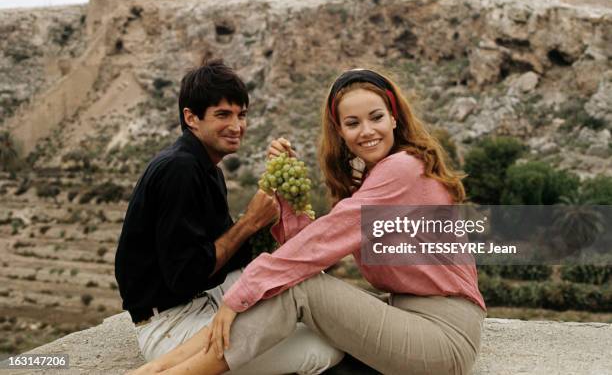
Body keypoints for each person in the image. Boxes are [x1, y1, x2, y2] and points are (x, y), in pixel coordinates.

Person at [132, 68, 486, 375]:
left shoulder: (404, 169)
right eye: (352, 123)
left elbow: (319, 247)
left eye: (376, 117)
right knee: (294, 282)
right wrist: (287, 195)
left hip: (444, 337)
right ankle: (164, 365)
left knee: (294, 286)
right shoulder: (375, 176)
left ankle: (172, 370)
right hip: (415, 317)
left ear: (395, 118)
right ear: (340, 131)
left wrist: (238, 296)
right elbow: (312, 250)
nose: (366, 131)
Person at [116, 58, 343, 374]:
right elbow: (185, 276)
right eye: (223, 115)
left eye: (242, 114)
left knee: (299, 292)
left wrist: (279, 193)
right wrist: (249, 221)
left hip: (206, 295)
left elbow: (235, 257)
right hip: (172, 322)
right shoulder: (179, 170)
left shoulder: (205, 169)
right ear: (191, 118)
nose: (237, 126)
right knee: (321, 349)